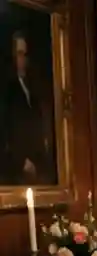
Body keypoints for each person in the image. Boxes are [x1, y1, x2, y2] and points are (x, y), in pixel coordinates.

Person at [2, 31, 52, 185]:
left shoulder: (32, 88)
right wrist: (22, 162)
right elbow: (6, 130)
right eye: (19, 53)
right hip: (18, 169)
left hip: (36, 164)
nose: (23, 58)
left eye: (25, 54)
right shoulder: (7, 90)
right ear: (13, 56)